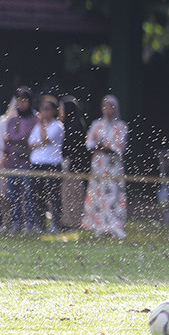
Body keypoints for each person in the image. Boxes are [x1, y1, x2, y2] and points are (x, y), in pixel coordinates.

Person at [82, 95, 128, 239]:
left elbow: (119, 146)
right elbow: (89, 142)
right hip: (99, 166)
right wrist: (100, 146)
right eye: (105, 107)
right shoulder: (97, 125)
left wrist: (108, 147)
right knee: (98, 194)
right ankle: (100, 225)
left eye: (111, 107)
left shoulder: (121, 126)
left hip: (113, 166)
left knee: (114, 195)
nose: (108, 110)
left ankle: (116, 225)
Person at [3, 86, 39, 232]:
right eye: (19, 100)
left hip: (27, 161)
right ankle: (16, 222)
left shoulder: (35, 118)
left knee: (29, 194)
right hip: (12, 161)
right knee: (13, 194)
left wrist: (13, 139)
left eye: (24, 100)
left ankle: (30, 223)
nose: (21, 103)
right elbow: (7, 138)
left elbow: (25, 136)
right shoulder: (12, 118)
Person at [27, 95, 64, 233]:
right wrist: (40, 142)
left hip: (52, 164)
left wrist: (41, 124)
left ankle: (55, 225)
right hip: (37, 164)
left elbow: (45, 139)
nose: (43, 111)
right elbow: (31, 144)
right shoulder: (38, 126)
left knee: (54, 196)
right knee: (38, 196)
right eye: (42, 109)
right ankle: (40, 225)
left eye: (47, 109)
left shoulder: (57, 126)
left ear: (54, 110)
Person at [59, 95, 90, 229]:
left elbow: (70, 145)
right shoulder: (65, 124)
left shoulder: (76, 125)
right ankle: (66, 221)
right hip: (68, 165)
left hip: (75, 166)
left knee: (74, 194)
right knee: (66, 194)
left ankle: (74, 222)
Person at [0, 97, 16, 231]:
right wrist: (3, 157)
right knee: (2, 195)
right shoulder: (3, 120)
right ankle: (2, 222)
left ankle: (16, 223)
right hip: (3, 163)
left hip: (18, 163)